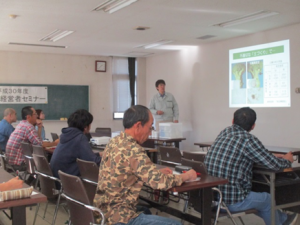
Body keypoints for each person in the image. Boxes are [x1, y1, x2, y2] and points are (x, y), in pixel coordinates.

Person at [94, 105, 196, 225]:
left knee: (146, 211)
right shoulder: (133, 150)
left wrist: (155, 172)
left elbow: (130, 171)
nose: (150, 132)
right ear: (138, 126)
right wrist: (187, 176)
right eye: (150, 127)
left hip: (102, 212)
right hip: (119, 218)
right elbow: (159, 182)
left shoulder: (114, 142)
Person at [204, 107, 298, 225]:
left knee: (260, 200)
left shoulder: (225, 132)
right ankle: (282, 222)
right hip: (232, 201)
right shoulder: (248, 140)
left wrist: (269, 155)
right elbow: (275, 165)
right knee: (267, 199)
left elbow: (241, 152)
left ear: (232, 121)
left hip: (213, 198)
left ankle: (283, 219)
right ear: (253, 125)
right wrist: (287, 160)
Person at [50, 109, 102, 179]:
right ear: (86, 127)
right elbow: (93, 163)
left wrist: (99, 154)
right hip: (71, 182)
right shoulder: (79, 137)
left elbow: (83, 156)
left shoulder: (67, 135)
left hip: (59, 179)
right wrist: (109, 157)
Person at [5, 106, 59, 171]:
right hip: (19, 164)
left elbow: (37, 141)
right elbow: (39, 144)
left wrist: (39, 128)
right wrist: (55, 143)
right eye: (35, 114)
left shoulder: (21, 124)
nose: (36, 116)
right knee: (48, 165)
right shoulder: (28, 127)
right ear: (28, 117)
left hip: (11, 163)